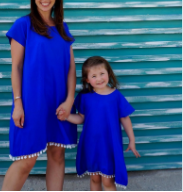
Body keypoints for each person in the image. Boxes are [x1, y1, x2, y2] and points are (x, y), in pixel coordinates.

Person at [1, 0, 78, 190]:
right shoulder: (23, 25)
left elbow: (71, 67)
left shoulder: (63, 27)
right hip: (31, 103)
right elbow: (16, 67)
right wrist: (18, 103)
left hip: (60, 102)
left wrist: (70, 100)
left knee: (57, 154)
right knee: (26, 160)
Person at [58, 56, 141, 190]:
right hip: (91, 144)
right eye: (94, 76)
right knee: (94, 178)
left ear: (108, 73)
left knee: (108, 181)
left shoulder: (116, 96)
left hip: (109, 145)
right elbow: (81, 119)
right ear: (87, 80)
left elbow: (125, 118)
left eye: (102, 74)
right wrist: (67, 116)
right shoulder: (84, 97)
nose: (99, 79)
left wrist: (132, 140)